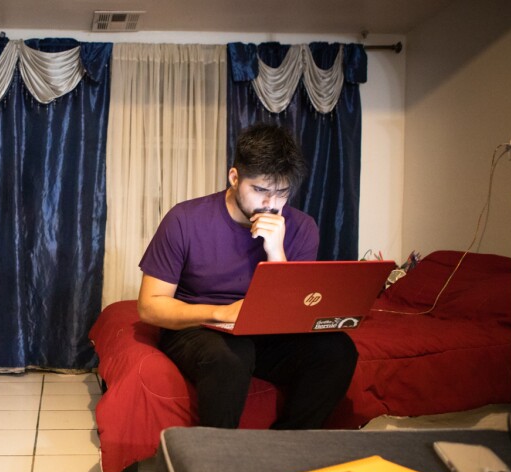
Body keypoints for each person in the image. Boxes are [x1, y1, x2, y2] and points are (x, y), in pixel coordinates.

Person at [137, 123, 357, 429]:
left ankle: (285, 447)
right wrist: (221, 313)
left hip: (267, 333)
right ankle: (213, 462)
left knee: (338, 350)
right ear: (234, 177)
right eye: (260, 190)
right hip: (198, 326)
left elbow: (294, 314)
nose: (271, 204)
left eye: (282, 193)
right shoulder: (184, 219)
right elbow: (150, 306)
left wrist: (276, 253)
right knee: (231, 356)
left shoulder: (302, 227)